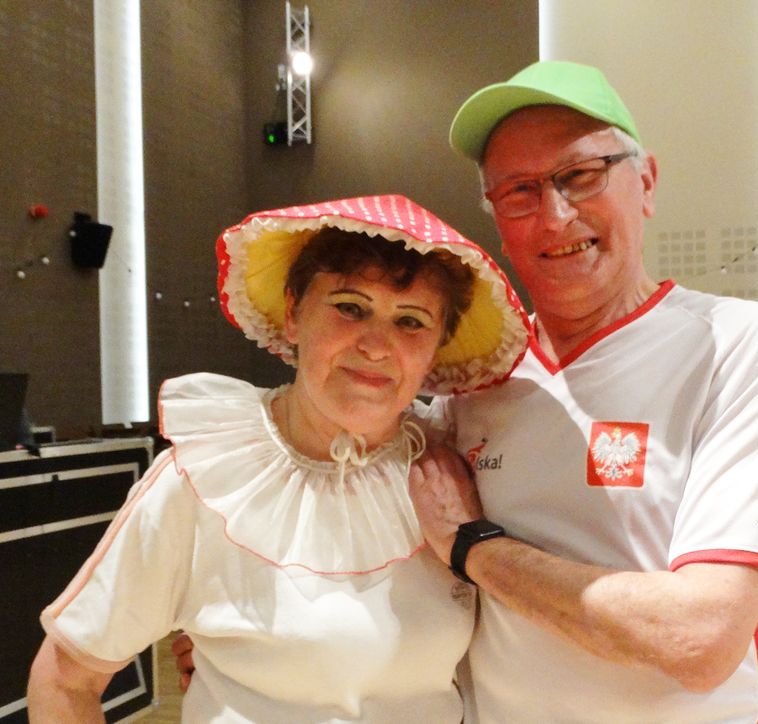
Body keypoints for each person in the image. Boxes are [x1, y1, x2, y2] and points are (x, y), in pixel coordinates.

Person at [405, 61, 758, 722]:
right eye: (519, 191)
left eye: (581, 175)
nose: (556, 216)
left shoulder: (736, 346)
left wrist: (476, 547)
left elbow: (699, 639)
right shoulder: (475, 378)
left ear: (646, 182)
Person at [26, 195, 529, 722]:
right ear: (293, 315)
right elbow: (64, 678)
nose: (377, 345)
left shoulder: (453, 477)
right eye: (350, 308)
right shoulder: (205, 480)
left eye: (411, 321)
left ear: (436, 348)